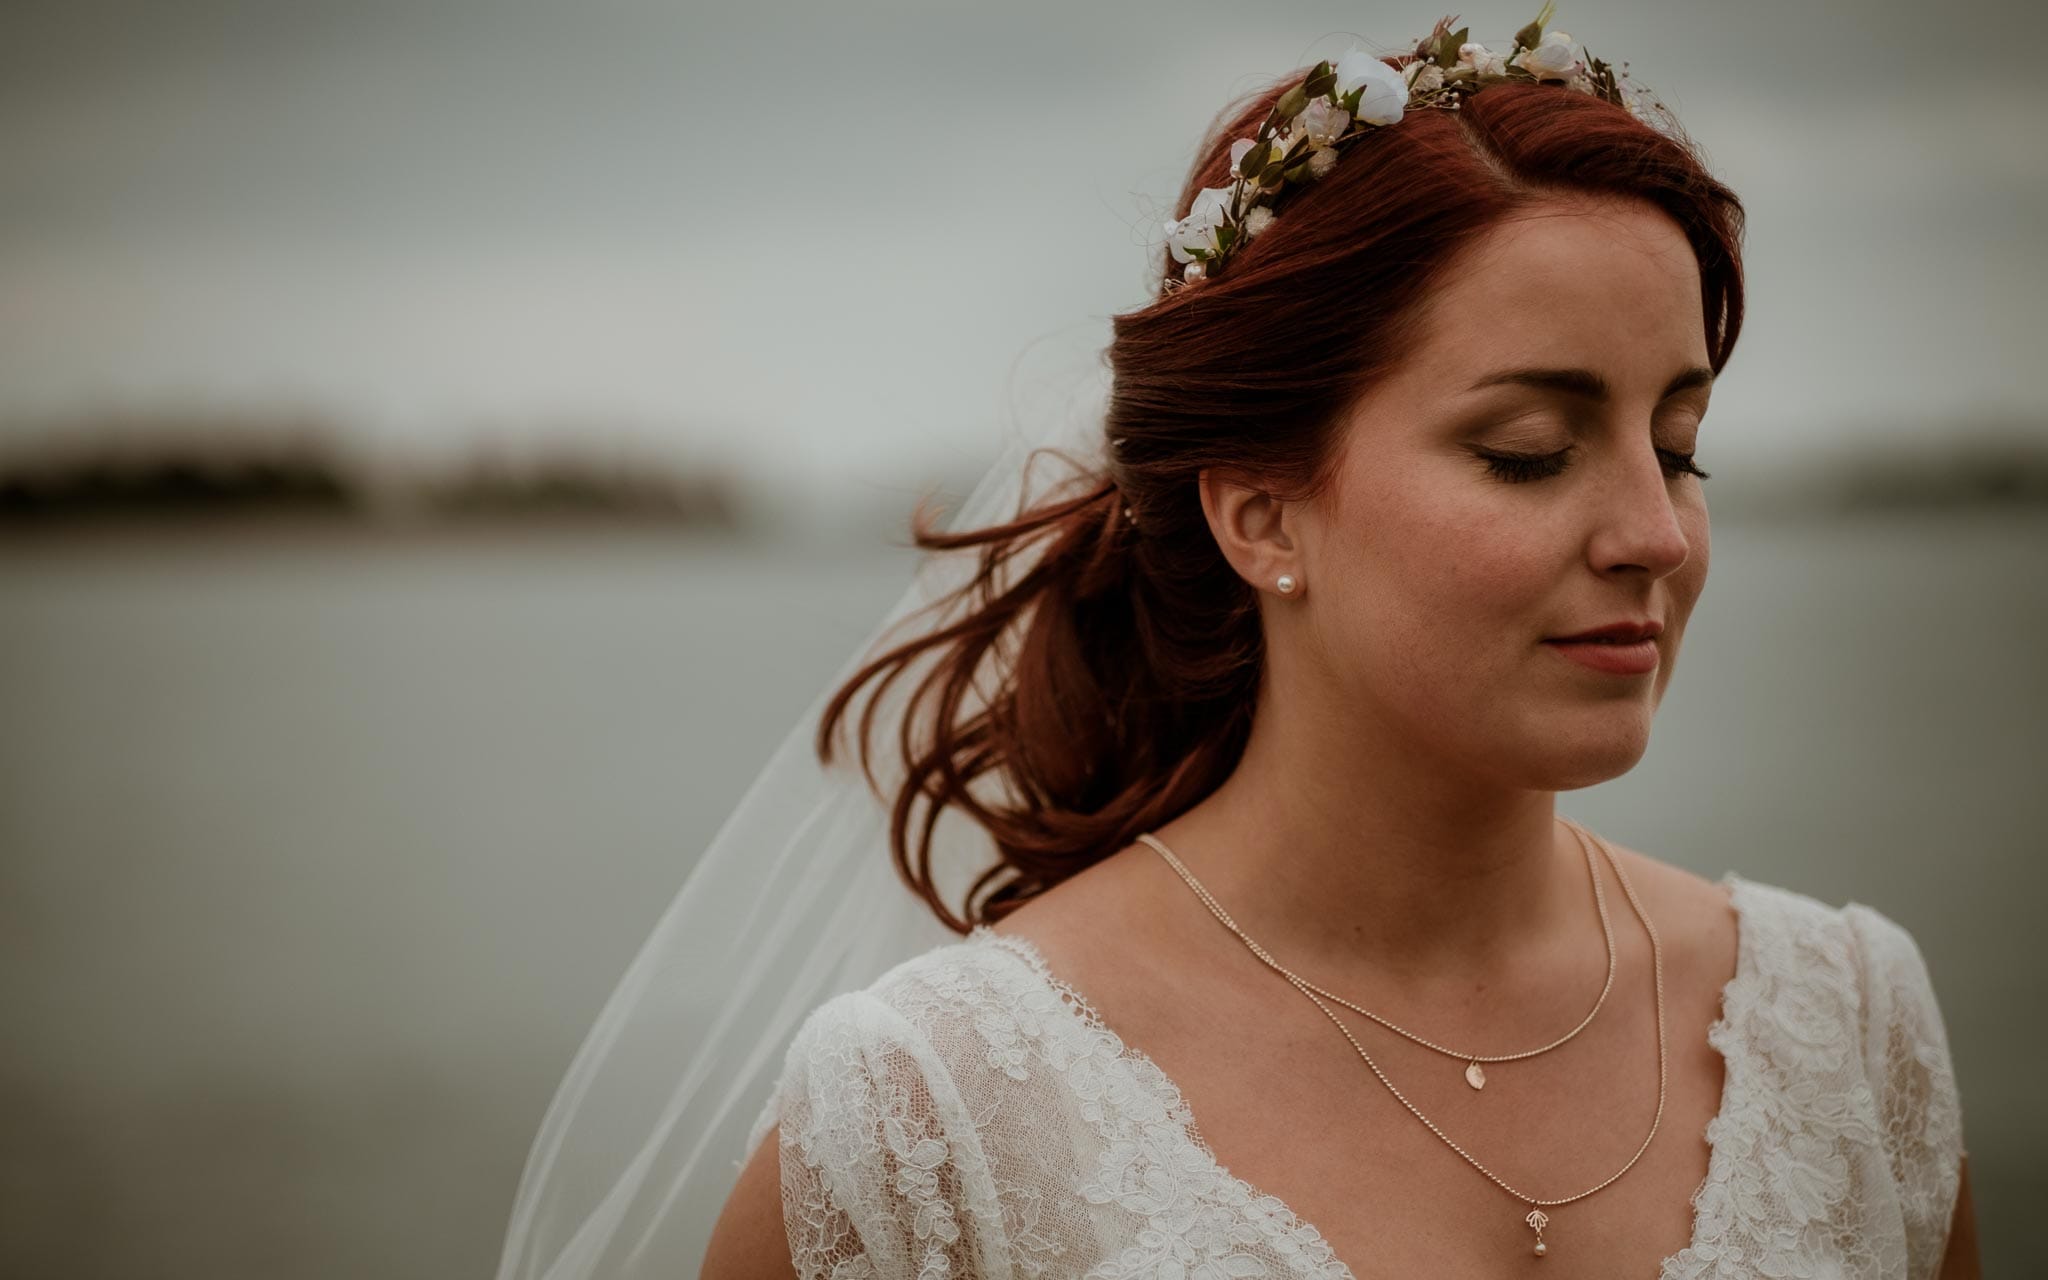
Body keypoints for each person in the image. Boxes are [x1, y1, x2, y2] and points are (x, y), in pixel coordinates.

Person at [501, 9, 1979, 1279]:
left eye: (1680, 445)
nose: (1654, 532)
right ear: (1262, 516)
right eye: (1531, 450)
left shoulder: (1842, 1028)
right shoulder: (935, 1115)